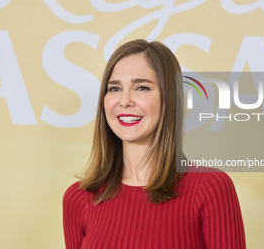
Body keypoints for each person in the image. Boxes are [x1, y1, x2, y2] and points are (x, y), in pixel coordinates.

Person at [63, 39, 246, 249]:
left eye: (141, 87)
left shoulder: (210, 188)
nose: (125, 101)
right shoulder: (78, 198)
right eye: (114, 89)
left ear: (168, 99)